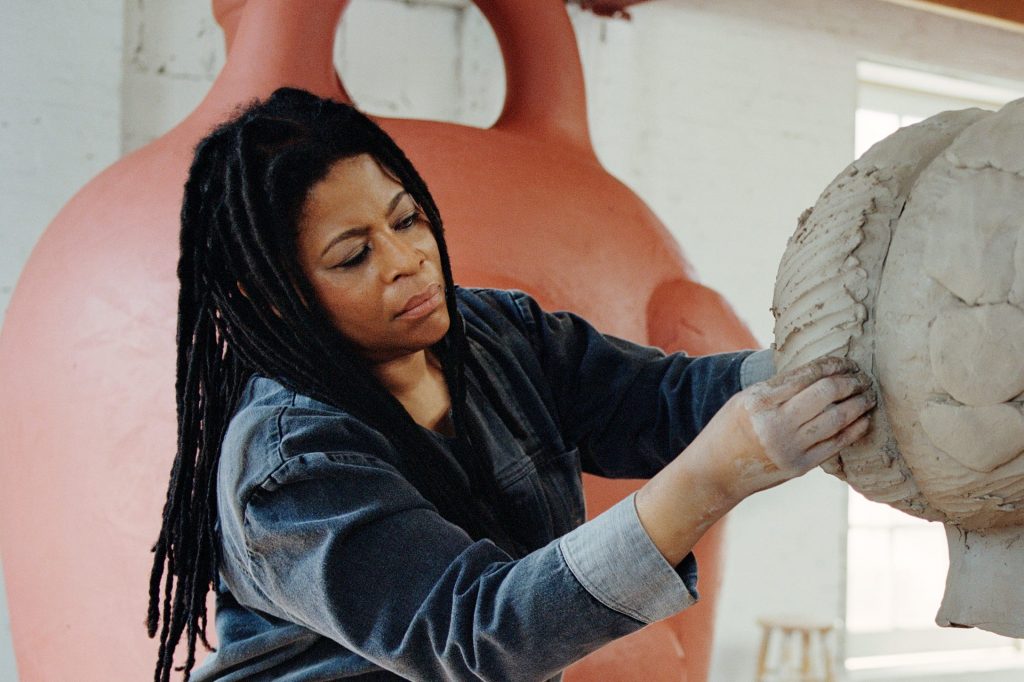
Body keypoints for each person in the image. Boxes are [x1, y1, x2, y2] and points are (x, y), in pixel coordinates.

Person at [147, 87, 875, 682]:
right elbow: (476, 635)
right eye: (353, 256)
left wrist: (832, 364)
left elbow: (659, 401)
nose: (407, 261)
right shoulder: (291, 466)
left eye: (407, 219)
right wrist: (712, 479)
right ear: (274, 295)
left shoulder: (494, 332)